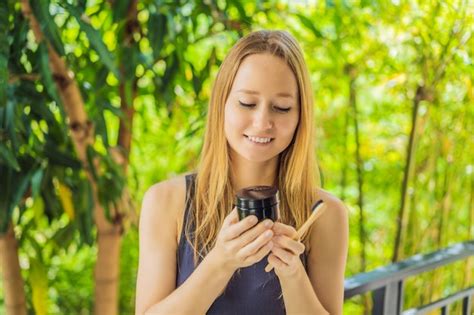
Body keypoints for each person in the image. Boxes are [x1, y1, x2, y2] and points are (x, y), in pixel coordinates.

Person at [135, 30, 348, 315]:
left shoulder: (325, 213)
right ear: (221, 104)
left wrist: (293, 275)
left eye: (282, 108)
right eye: (247, 103)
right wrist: (221, 262)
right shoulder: (165, 202)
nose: (262, 122)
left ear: (301, 117)